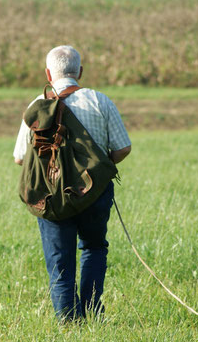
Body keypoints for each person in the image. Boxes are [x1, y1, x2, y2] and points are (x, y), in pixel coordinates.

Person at [13, 45, 132, 322]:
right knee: (92, 248)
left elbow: (20, 158)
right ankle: (92, 313)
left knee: (60, 263)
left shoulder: (36, 107)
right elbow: (122, 148)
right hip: (95, 192)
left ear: (48, 73)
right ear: (79, 71)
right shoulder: (100, 101)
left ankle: (69, 324)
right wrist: (99, 168)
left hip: (51, 197)